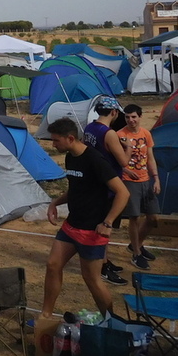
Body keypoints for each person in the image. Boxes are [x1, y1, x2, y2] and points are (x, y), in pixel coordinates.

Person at [41, 117, 130, 319]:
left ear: (70, 138)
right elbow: (76, 188)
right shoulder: (71, 156)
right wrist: (55, 203)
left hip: (92, 230)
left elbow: (123, 193)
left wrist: (107, 223)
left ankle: (110, 322)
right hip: (71, 225)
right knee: (53, 265)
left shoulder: (96, 160)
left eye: (56, 141)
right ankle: (45, 314)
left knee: (92, 280)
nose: (53, 145)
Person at [83, 95, 133, 285]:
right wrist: (128, 148)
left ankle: (105, 260)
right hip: (109, 186)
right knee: (106, 226)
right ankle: (102, 267)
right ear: (113, 112)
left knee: (103, 225)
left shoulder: (89, 128)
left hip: (95, 182)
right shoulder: (109, 133)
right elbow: (124, 161)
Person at [120, 104, 160, 269]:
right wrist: (127, 171)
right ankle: (136, 253)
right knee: (134, 218)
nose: (131, 120)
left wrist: (156, 178)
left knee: (153, 218)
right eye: (128, 117)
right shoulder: (120, 135)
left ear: (140, 117)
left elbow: (150, 157)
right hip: (129, 182)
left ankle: (137, 244)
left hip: (145, 180)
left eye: (134, 117)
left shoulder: (146, 134)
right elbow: (117, 160)